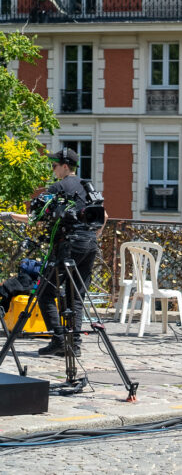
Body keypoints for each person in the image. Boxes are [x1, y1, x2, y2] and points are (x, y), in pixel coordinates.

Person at [0, 148, 107, 356]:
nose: (53, 170)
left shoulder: (58, 187)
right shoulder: (88, 186)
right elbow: (104, 215)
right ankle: (73, 346)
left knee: (45, 292)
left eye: (54, 166)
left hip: (67, 246)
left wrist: (11, 215)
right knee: (76, 297)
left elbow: (35, 217)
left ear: (65, 166)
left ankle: (59, 339)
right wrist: (93, 236)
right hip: (89, 245)